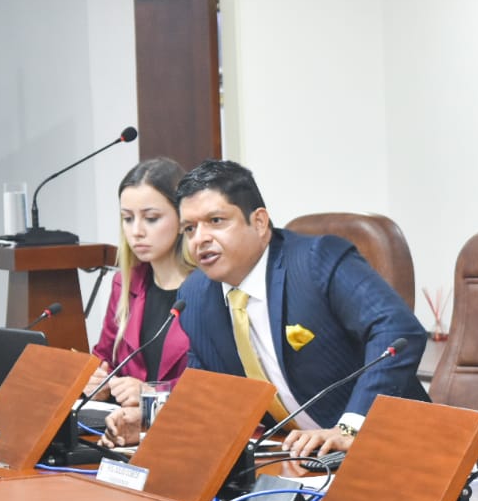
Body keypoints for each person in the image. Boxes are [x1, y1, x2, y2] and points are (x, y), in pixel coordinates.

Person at [159, 158, 429, 459]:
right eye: (190, 229)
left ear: (259, 222)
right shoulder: (195, 296)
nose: (200, 239)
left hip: (394, 451)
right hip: (296, 458)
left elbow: (397, 330)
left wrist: (351, 428)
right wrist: (151, 424)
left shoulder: (316, 261)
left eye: (216, 221)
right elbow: (206, 397)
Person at [87, 157, 193, 409]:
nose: (136, 231)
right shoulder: (125, 283)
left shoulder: (210, 289)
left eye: (151, 218)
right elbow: (104, 357)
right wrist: (96, 381)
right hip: (127, 427)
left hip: (186, 430)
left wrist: (152, 393)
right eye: (127, 218)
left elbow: (219, 385)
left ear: (182, 219)